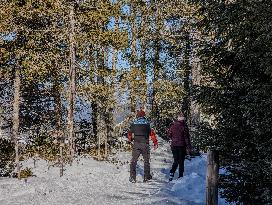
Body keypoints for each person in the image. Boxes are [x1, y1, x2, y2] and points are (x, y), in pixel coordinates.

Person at [128, 109, 158, 183]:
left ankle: (132, 177)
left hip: (136, 144)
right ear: (144, 116)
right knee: (146, 161)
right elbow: (152, 134)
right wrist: (155, 142)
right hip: (145, 144)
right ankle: (146, 177)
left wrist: (130, 140)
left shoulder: (134, 123)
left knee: (134, 161)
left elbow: (129, 133)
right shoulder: (147, 124)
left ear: (137, 116)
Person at [167, 112, 192, 181]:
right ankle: (180, 177)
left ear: (178, 119)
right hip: (181, 146)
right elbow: (187, 138)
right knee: (181, 162)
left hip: (174, 146)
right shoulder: (184, 126)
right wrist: (189, 147)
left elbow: (169, 135)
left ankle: (171, 173)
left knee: (176, 161)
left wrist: (172, 139)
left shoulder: (172, 125)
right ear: (183, 119)